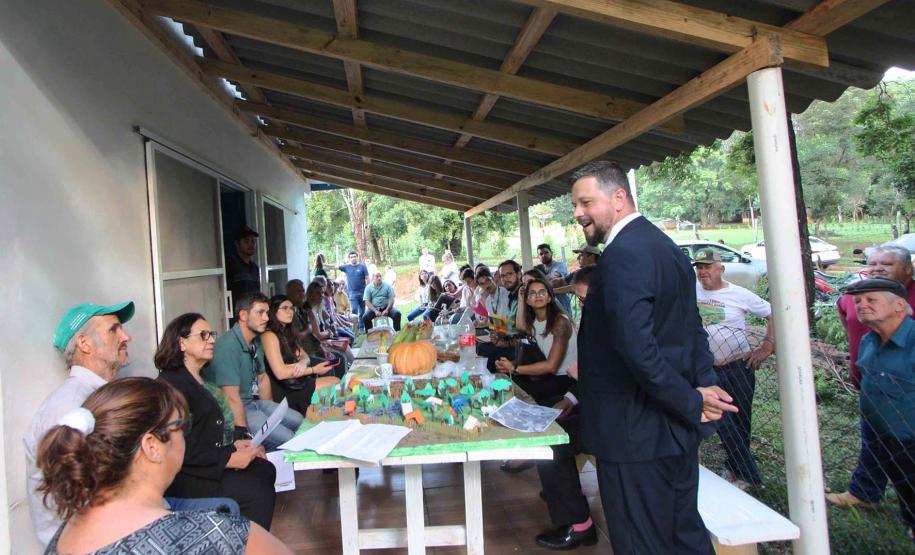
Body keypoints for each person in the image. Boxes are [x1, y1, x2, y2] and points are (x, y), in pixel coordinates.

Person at [571, 160, 735, 554]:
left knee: (642, 543)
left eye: (586, 202)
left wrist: (693, 399)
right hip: (673, 430)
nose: (578, 213)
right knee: (684, 537)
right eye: (575, 205)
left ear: (619, 198)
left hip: (634, 435)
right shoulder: (665, 246)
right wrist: (701, 387)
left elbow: (637, 348)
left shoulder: (623, 254)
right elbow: (691, 329)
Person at [37, 378, 291, 554]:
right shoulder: (215, 535)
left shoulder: (62, 538)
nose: (185, 438)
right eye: (181, 428)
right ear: (152, 446)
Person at [25, 301, 136, 547]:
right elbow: (75, 494)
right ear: (85, 344)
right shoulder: (70, 405)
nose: (126, 337)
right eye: (114, 329)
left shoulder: (98, 397)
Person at [155, 313, 278, 529]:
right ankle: (242, 541)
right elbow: (179, 447)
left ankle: (245, 537)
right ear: (182, 343)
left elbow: (205, 435)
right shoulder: (172, 387)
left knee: (265, 469)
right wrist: (228, 459)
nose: (212, 340)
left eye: (211, 334)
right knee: (256, 489)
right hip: (189, 477)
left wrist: (234, 446)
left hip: (206, 464)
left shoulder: (200, 379)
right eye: (203, 335)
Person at [828, 244, 915, 510]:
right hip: (873, 389)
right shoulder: (866, 328)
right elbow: (845, 315)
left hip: (905, 400)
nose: (878, 269)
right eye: (873, 264)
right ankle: (865, 493)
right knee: (876, 442)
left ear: (907, 269)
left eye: (886, 264)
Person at [694, 248, 775, 489]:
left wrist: (767, 347)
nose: (703, 272)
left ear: (721, 269)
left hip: (737, 366)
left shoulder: (739, 294)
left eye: (708, 267)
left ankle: (737, 469)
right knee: (720, 419)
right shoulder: (691, 291)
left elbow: (773, 313)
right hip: (706, 368)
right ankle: (745, 472)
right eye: (699, 267)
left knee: (740, 419)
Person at [845, 278, 915, 542]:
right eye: (858, 301)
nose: (861, 305)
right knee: (906, 494)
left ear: (899, 306)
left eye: (871, 300)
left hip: (910, 441)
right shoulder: (869, 340)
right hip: (885, 440)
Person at [535, 266, 598, 550]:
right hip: (593, 407)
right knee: (547, 427)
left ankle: (580, 525)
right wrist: (571, 399)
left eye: (585, 299)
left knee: (553, 442)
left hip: (617, 421)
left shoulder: (617, 326)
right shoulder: (595, 321)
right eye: (579, 299)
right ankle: (561, 494)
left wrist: (585, 378)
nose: (582, 305)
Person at [205, 292, 305, 451]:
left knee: (299, 421)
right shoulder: (227, 346)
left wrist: (272, 416)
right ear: (243, 315)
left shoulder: (255, 340)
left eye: (267, 313)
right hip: (234, 410)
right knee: (287, 438)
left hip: (253, 403)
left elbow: (262, 378)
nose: (266, 318)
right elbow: (231, 398)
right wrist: (243, 435)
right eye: (260, 312)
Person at [495, 276, 576, 405]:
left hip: (564, 380)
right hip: (545, 377)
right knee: (503, 386)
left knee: (516, 395)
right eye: (532, 293)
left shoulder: (560, 322)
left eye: (542, 292)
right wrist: (508, 365)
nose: (537, 296)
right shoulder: (534, 322)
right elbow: (520, 327)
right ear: (528, 300)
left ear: (549, 298)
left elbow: (551, 366)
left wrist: (514, 368)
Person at [262, 296, 338, 414]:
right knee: (334, 382)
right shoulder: (269, 335)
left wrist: (302, 363)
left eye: (291, 308)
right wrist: (313, 370)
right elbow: (280, 373)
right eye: (285, 308)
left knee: (334, 383)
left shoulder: (286, 332)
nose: (290, 312)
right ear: (273, 311)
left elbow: (304, 355)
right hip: (284, 389)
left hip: (296, 381)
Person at [226, 225, 261, 308]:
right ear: (237, 244)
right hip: (237, 311)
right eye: (246, 241)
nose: (251, 245)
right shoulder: (231, 264)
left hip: (253, 310)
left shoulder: (255, 267)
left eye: (253, 241)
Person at [534, 243, 572, 315]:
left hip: (562, 305)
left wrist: (538, 281)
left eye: (546, 252)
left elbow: (554, 276)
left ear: (551, 253)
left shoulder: (560, 265)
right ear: (538, 256)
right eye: (541, 254)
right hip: (547, 307)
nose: (543, 255)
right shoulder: (538, 268)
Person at [339, 252, 370, 329]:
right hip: (352, 293)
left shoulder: (362, 266)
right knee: (354, 310)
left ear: (357, 257)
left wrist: (368, 290)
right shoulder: (346, 267)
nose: (353, 258)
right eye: (351, 257)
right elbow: (336, 267)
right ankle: (355, 328)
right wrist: (323, 264)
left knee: (362, 311)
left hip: (363, 292)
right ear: (349, 259)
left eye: (354, 256)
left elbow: (367, 278)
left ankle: (361, 327)